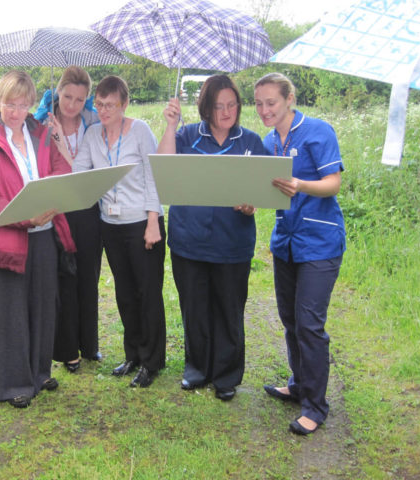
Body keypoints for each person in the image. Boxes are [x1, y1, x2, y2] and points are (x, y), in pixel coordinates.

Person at [0, 70, 76, 408]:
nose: (16, 112)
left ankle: (39, 373)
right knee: (13, 310)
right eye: (8, 104)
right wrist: (24, 217)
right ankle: (13, 383)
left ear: (32, 104)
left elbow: (61, 171)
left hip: (46, 233)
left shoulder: (42, 133)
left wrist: (49, 199)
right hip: (9, 238)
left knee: (44, 304)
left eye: (22, 104)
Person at [157, 74, 267, 401]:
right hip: (188, 241)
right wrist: (169, 125)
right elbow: (162, 168)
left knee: (229, 310)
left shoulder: (251, 142)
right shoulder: (188, 135)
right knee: (195, 308)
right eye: (219, 106)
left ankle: (226, 375)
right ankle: (197, 369)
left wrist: (251, 206)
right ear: (206, 107)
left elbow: (260, 190)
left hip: (232, 244)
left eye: (232, 105)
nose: (226, 112)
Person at [254, 72, 346, 435]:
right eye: (259, 103)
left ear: (289, 98)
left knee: (310, 324)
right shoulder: (267, 141)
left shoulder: (318, 131)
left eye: (271, 102)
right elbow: (266, 190)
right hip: (285, 243)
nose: (264, 110)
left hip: (319, 243)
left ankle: (316, 406)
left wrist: (300, 185)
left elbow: (334, 183)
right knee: (291, 319)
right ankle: (298, 384)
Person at [73, 75, 166, 388]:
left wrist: (154, 221)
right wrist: (60, 140)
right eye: (99, 104)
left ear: (125, 104)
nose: (103, 110)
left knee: (147, 293)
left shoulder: (139, 131)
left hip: (142, 224)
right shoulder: (93, 134)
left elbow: (155, 177)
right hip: (110, 226)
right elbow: (78, 174)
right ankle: (133, 355)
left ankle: (152, 361)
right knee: (125, 294)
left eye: (110, 105)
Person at [35, 66, 103, 373]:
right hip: (57, 210)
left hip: (87, 208)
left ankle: (89, 345)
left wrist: (63, 144)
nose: (71, 105)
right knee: (64, 278)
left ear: (87, 99)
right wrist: (49, 140)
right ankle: (67, 349)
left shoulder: (94, 123)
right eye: (67, 96)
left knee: (88, 276)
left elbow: (89, 175)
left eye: (79, 99)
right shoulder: (41, 124)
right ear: (57, 92)